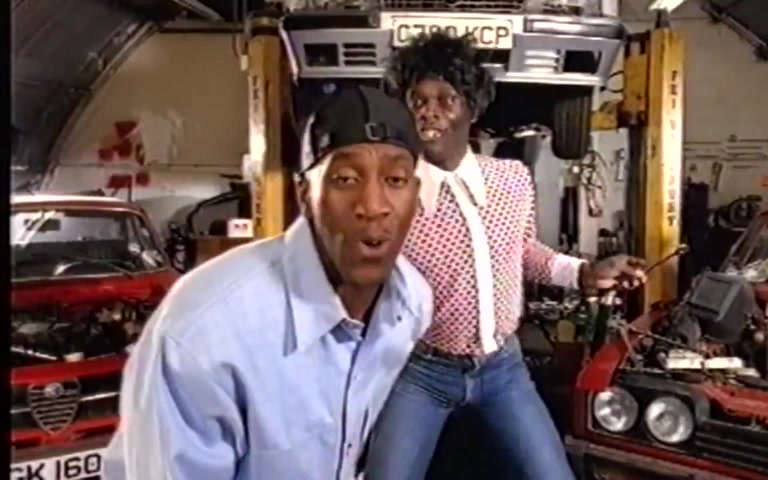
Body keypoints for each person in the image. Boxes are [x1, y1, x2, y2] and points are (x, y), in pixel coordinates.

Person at [103, 86, 432, 480]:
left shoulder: (412, 304)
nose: (373, 206)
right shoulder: (203, 334)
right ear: (304, 193)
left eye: (395, 179)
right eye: (345, 179)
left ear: (416, 195)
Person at [365, 32, 647, 480]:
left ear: (472, 109)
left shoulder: (511, 180)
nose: (428, 111)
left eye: (445, 99)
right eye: (418, 101)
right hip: (421, 372)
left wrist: (585, 274)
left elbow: (524, 251)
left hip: (502, 370)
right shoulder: (392, 194)